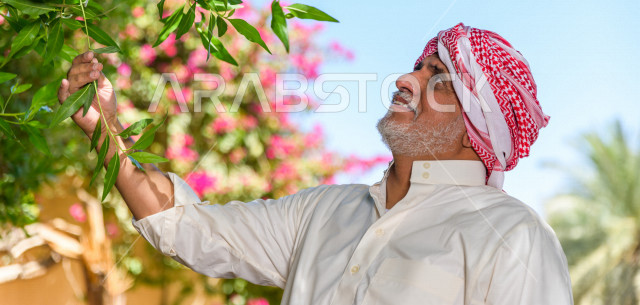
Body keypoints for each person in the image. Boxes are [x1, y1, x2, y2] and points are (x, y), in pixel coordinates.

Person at [58, 23, 573, 304]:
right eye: (417, 66)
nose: (404, 80)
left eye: (437, 77)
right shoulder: (324, 212)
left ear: (475, 127)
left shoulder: (511, 236)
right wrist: (105, 130)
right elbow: (186, 227)